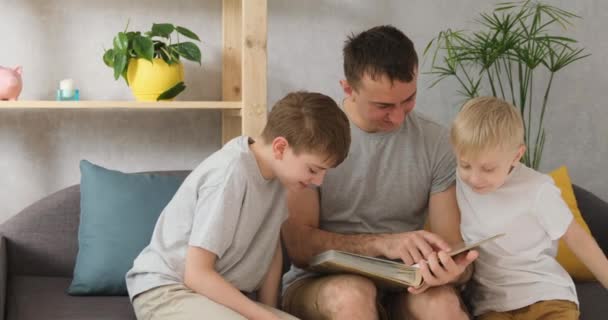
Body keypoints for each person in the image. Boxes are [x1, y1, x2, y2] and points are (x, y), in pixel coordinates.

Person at [281, 25, 477, 320]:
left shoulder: (436, 142)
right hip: (319, 283)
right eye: (383, 106)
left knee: (442, 306)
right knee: (352, 296)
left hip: (405, 284)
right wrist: (384, 244)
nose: (398, 117)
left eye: (408, 100)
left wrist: (451, 270)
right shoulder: (313, 138)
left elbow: (451, 243)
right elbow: (299, 246)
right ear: (348, 89)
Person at [125, 91, 351, 320]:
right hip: (169, 290)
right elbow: (196, 274)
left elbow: (269, 248)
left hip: (211, 297)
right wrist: (265, 317)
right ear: (280, 148)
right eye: (313, 170)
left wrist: (272, 311)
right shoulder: (230, 173)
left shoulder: (283, 177)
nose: (318, 182)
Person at [451, 96, 608, 320]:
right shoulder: (457, 181)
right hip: (492, 305)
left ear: (516, 156)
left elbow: (577, 239)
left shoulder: (537, 189)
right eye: (465, 164)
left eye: (488, 168)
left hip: (545, 295)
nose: (474, 178)